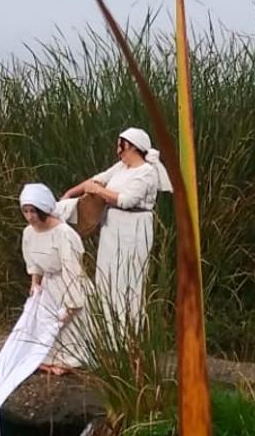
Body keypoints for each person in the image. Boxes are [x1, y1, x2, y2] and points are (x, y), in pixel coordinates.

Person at [61, 127, 172, 333]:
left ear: (129, 145)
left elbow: (127, 200)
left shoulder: (146, 172)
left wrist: (100, 192)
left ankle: (126, 334)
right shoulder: (121, 167)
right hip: (112, 227)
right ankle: (105, 332)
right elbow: (97, 179)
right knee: (107, 276)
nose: (117, 149)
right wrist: (70, 193)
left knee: (127, 278)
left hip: (134, 227)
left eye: (120, 144)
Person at [20, 183, 91, 374]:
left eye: (33, 211)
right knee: (43, 330)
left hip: (67, 285)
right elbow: (34, 262)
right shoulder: (28, 232)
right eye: (25, 211)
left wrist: (70, 306)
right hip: (48, 287)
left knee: (65, 329)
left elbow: (73, 271)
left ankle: (69, 359)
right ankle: (47, 358)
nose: (29, 217)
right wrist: (35, 283)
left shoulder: (64, 234)